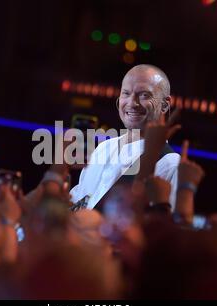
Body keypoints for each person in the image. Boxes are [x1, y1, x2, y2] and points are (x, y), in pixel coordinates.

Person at [69, 64, 180, 209]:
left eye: (144, 95)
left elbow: (164, 225)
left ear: (165, 105)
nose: (132, 103)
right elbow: (78, 203)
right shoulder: (104, 148)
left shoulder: (170, 162)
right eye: (126, 93)